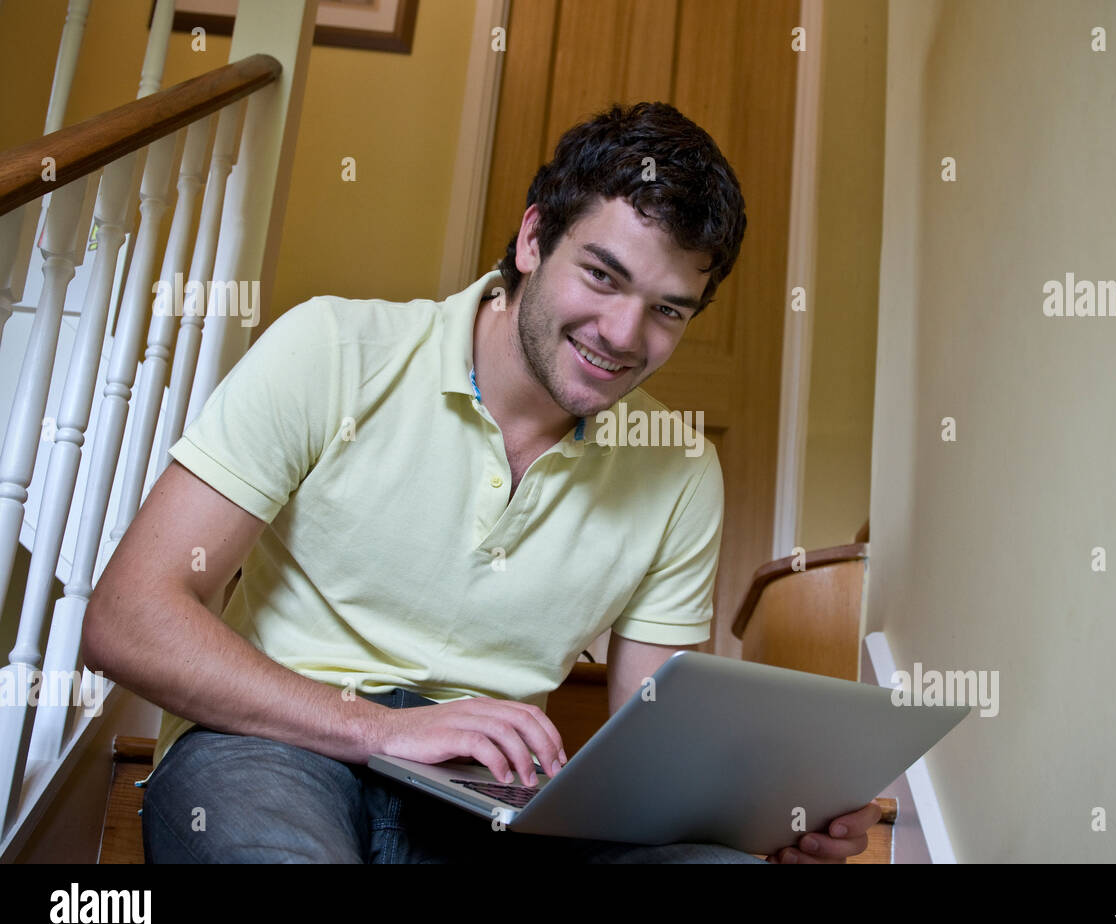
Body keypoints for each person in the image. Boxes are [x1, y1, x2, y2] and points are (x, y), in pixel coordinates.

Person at [83, 101, 882, 863]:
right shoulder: (333, 347)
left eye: (668, 311)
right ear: (534, 237)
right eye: (602, 276)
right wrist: (381, 729)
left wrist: (768, 824)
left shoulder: (678, 468)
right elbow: (128, 617)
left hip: (494, 795)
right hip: (271, 744)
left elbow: (652, 751)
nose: (622, 335)